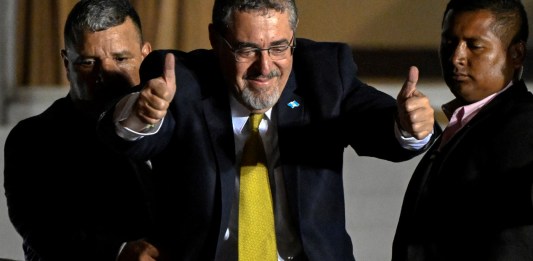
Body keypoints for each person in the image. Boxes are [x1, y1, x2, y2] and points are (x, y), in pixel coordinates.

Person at [98, 0, 441, 260]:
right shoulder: (182, 79)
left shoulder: (323, 72)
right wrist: (143, 115)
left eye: (279, 47)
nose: (265, 67)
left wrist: (410, 125)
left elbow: (378, 124)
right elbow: (131, 138)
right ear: (216, 40)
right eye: (247, 49)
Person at [3, 0, 154, 260]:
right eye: (87, 62)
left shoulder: (177, 125)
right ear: (66, 63)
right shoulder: (33, 139)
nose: (105, 73)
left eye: (120, 58)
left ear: (146, 56)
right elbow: (44, 230)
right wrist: (118, 253)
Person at [392, 0, 533, 260]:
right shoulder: (469, 121)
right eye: (448, 42)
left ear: (516, 54)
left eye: (474, 45)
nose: (456, 56)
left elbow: (513, 242)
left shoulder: (523, 126)